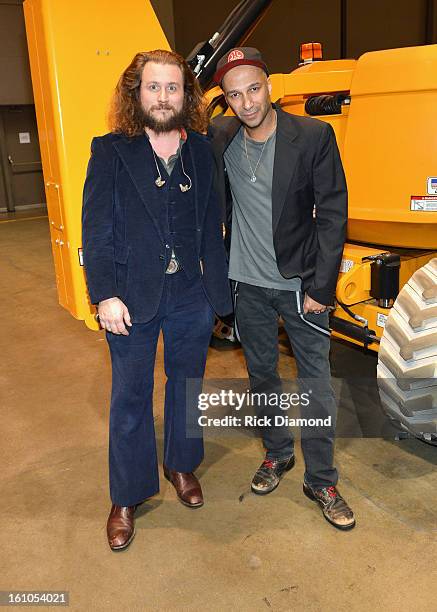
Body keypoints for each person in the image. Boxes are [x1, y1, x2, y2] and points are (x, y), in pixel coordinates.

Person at [82, 49, 232, 551]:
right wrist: (104, 294)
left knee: (187, 385)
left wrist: (218, 292)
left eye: (173, 88)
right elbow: (96, 230)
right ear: (136, 92)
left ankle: (181, 465)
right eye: (154, 87)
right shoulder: (110, 151)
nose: (164, 97)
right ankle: (127, 495)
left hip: (191, 292)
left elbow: (213, 227)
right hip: (130, 294)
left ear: (186, 95)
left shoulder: (202, 152)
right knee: (130, 398)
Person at [209, 47, 355, 530]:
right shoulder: (221, 136)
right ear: (226, 101)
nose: (246, 103)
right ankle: (276, 454)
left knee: (315, 384)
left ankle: (322, 478)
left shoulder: (312, 136)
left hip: (299, 286)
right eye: (234, 95)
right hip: (245, 285)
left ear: (269, 85)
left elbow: (332, 215)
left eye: (253, 89)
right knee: (263, 377)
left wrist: (321, 286)